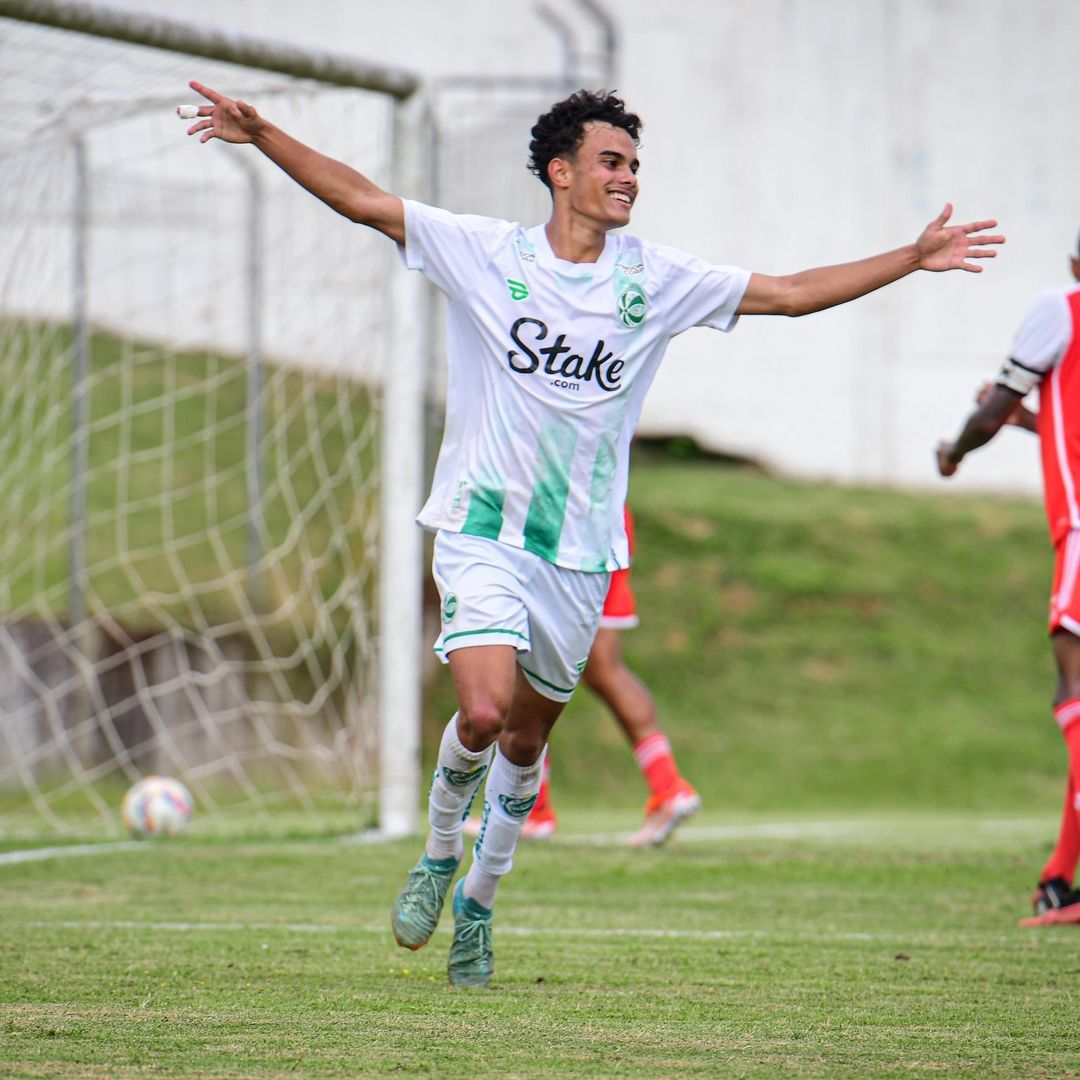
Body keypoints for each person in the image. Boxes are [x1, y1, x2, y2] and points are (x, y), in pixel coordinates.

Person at [182, 81, 1003, 986]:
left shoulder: (655, 279)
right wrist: (265, 137)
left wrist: (912, 257)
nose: (629, 179)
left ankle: (481, 909)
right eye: (612, 163)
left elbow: (793, 293)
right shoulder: (485, 253)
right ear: (560, 171)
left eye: (636, 167)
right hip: (483, 529)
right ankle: (439, 853)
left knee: (528, 744)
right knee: (484, 713)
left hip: (579, 555)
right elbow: (365, 201)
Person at [936, 237, 1080, 926]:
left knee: (1074, 691)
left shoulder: (1061, 309)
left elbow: (991, 409)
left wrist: (955, 449)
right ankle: (1059, 879)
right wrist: (1032, 421)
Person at [505, 504, 701, 846]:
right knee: (603, 666)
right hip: (606, 512)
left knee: (518, 655)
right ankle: (668, 785)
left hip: (554, 513)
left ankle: (531, 809)